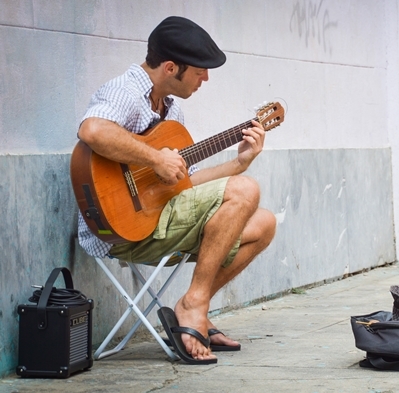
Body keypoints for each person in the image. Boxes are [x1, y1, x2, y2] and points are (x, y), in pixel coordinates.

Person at [76, 16, 277, 363]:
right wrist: (155, 158)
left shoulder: (172, 111)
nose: (206, 78)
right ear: (171, 67)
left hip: (158, 220)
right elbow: (92, 130)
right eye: (200, 71)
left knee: (264, 224)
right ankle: (194, 305)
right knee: (245, 191)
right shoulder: (126, 92)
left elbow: (185, 182)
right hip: (122, 231)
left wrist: (238, 163)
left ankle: (194, 304)